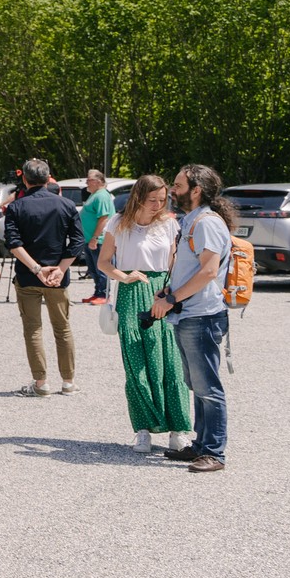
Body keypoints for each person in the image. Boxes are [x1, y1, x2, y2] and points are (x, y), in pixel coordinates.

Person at [97, 174, 190, 454]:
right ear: (138, 197)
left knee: (170, 362)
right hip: (131, 293)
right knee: (136, 364)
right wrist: (123, 277)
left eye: (162, 200)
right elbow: (103, 262)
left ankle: (178, 429)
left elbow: (175, 262)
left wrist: (173, 293)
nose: (157, 205)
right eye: (152, 199)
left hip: (162, 291)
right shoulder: (118, 223)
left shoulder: (169, 224)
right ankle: (143, 430)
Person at [157, 165, 233, 473]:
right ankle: (201, 446)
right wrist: (169, 290)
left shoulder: (206, 223)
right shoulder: (191, 221)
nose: (172, 191)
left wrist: (173, 298)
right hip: (189, 314)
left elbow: (209, 271)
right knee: (197, 385)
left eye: (177, 185)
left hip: (202, 316)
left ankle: (214, 452)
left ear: (196, 190)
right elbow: (190, 267)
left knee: (208, 387)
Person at [2, 158, 84, 396]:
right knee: (63, 328)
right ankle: (68, 382)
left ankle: (41, 383)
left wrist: (37, 269)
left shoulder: (17, 207)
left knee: (33, 330)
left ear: (25, 179)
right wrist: (61, 268)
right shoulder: (66, 205)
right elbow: (77, 241)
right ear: (49, 179)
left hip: (29, 276)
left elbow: (13, 244)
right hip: (57, 277)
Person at [78, 170, 116, 305]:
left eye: (89, 180)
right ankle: (98, 292)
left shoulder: (102, 196)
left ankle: (104, 294)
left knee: (101, 268)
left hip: (99, 240)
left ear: (98, 181)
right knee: (93, 269)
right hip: (90, 239)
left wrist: (95, 237)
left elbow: (103, 218)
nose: (86, 183)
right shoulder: (94, 195)